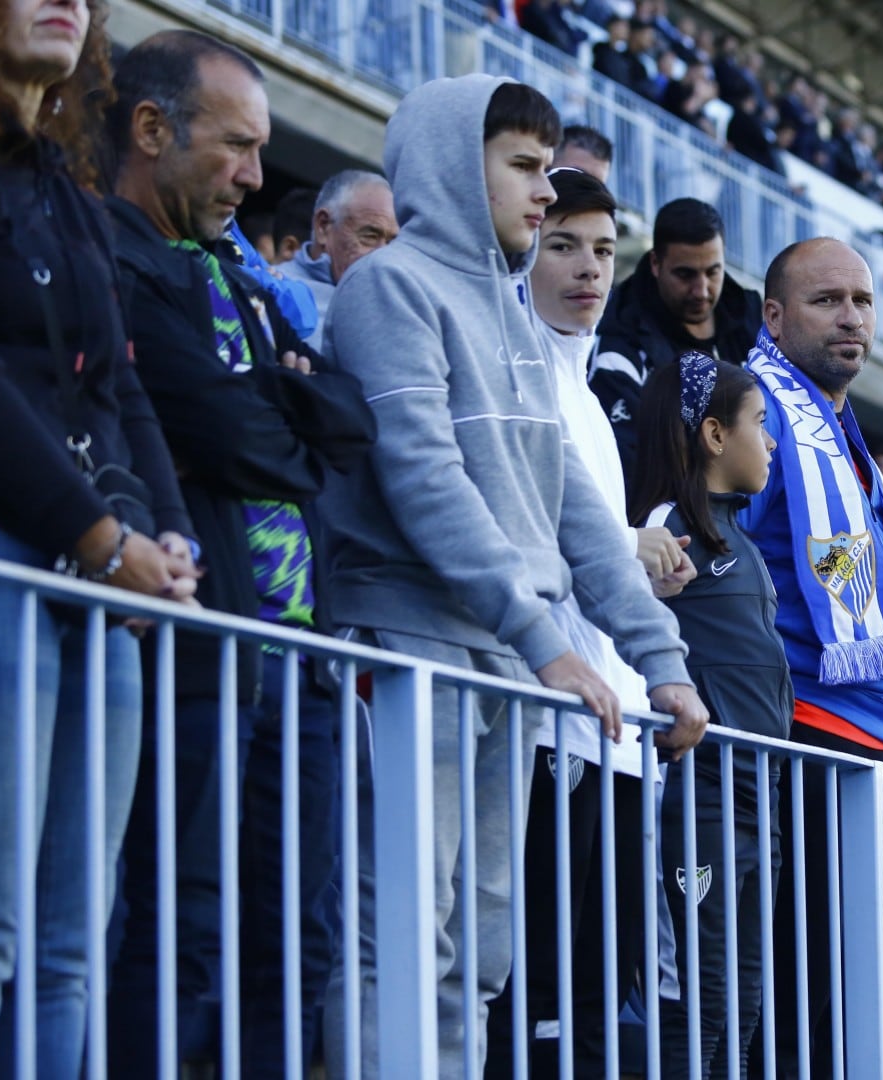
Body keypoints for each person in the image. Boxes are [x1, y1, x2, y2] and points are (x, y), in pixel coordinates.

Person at [315, 75, 708, 1078]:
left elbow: (578, 515)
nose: (546, 192)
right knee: (404, 925)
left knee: (485, 939)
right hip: (410, 646)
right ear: (457, 163)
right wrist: (546, 643)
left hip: (499, 661)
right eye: (525, 167)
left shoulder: (516, 324)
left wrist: (661, 660)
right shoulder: (387, 287)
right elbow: (423, 476)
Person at [0, 2, 201, 1072]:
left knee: (67, 946)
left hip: (97, 576)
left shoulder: (72, 195)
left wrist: (166, 538)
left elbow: (120, 392)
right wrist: (102, 537)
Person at [101, 30, 377, 1077]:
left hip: (295, 661)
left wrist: (284, 417)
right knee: (182, 926)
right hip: (195, 649)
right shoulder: (113, 251)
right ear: (152, 129)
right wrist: (287, 415)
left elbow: (344, 423)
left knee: (296, 940)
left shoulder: (242, 274)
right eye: (239, 147)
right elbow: (234, 432)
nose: (258, 177)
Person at [483, 167, 698, 1078]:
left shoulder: (586, 397)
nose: (587, 269)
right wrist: (623, 544)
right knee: (532, 993)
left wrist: (642, 554)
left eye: (604, 251)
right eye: (563, 244)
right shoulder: (507, 360)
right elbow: (519, 522)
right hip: (542, 725)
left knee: (594, 992)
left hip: (614, 732)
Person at [739, 237, 883, 1077]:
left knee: (851, 985)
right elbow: (726, 552)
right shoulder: (758, 408)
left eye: (861, 300)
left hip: (874, 742)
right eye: (827, 301)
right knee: (807, 988)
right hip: (810, 733)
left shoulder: (834, 423)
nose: (851, 317)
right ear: (774, 317)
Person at [630, 352, 790, 1078]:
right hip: (700, 802)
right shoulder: (667, 526)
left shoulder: (742, 540)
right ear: (715, 436)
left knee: (746, 996)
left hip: (762, 799)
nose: (773, 442)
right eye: (762, 424)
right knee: (701, 991)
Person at [593, 199, 763, 474]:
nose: (702, 290)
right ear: (656, 263)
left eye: (712, 272)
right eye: (685, 275)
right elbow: (628, 463)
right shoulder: (620, 347)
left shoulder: (753, 321)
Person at [288, 169, 397, 344]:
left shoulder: (400, 306)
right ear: (323, 226)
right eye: (370, 236)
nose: (383, 257)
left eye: (391, 243)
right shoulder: (269, 293)